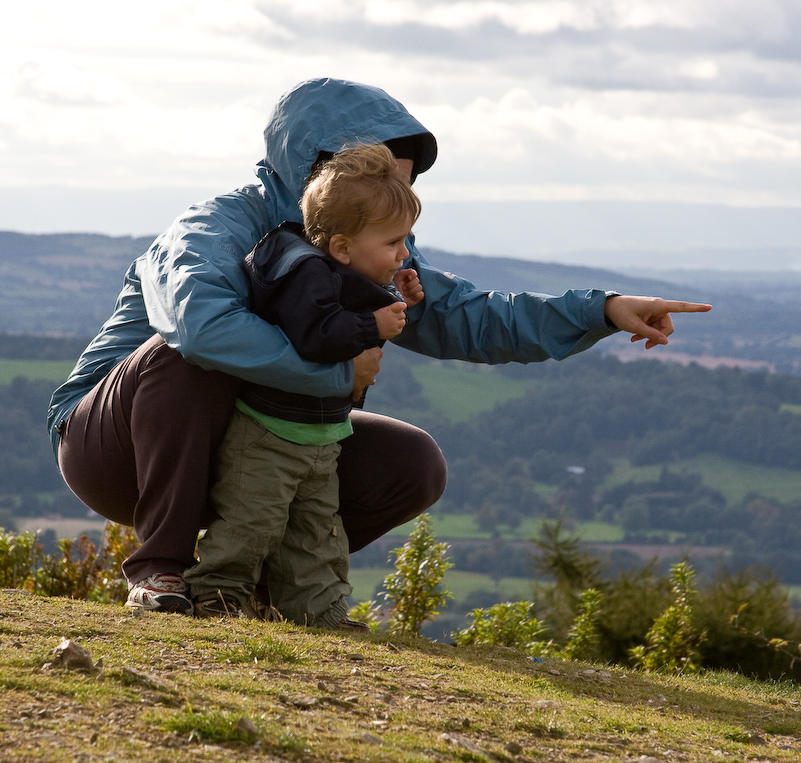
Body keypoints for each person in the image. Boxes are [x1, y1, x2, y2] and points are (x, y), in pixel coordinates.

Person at [47, 77, 711, 615]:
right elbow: (199, 325)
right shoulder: (213, 227)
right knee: (180, 354)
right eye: (373, 182)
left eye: (399, 187)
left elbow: (466, 315)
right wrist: (340, 369)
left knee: (411, 461)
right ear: (320, 170)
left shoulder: (361, 245)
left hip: (253, 440)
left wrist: (600, 310)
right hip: (114, 447)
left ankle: (264, 590)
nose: (391, 202)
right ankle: (159, 569)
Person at [184, 143, 422, 628]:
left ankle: (317, 612)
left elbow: (353, 324)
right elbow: (318, 337)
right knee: (252, 521)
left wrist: (398, 299)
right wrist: (375, 324)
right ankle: (217, 596)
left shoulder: (341, 272)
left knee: (316, 532)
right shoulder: (305, 276)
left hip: (320, 437)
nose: (404, 252)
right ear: (341, 247)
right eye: (394, 243)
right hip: (269, 434)